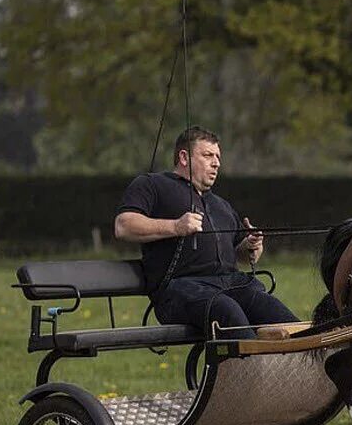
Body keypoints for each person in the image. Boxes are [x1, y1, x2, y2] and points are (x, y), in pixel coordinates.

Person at [114, 126, 298, 339]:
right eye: (208, 155)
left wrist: (251, 246)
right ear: (184, 157)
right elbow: (123, 225)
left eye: (218, 157)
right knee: (227, 311)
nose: (216, 163)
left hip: (231, 285)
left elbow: (243, 255)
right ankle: (249, 370)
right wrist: (175, 226)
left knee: (279, 316)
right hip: (179, 289)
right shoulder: (152, 184)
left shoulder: (222, 205)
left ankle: (303, 367)